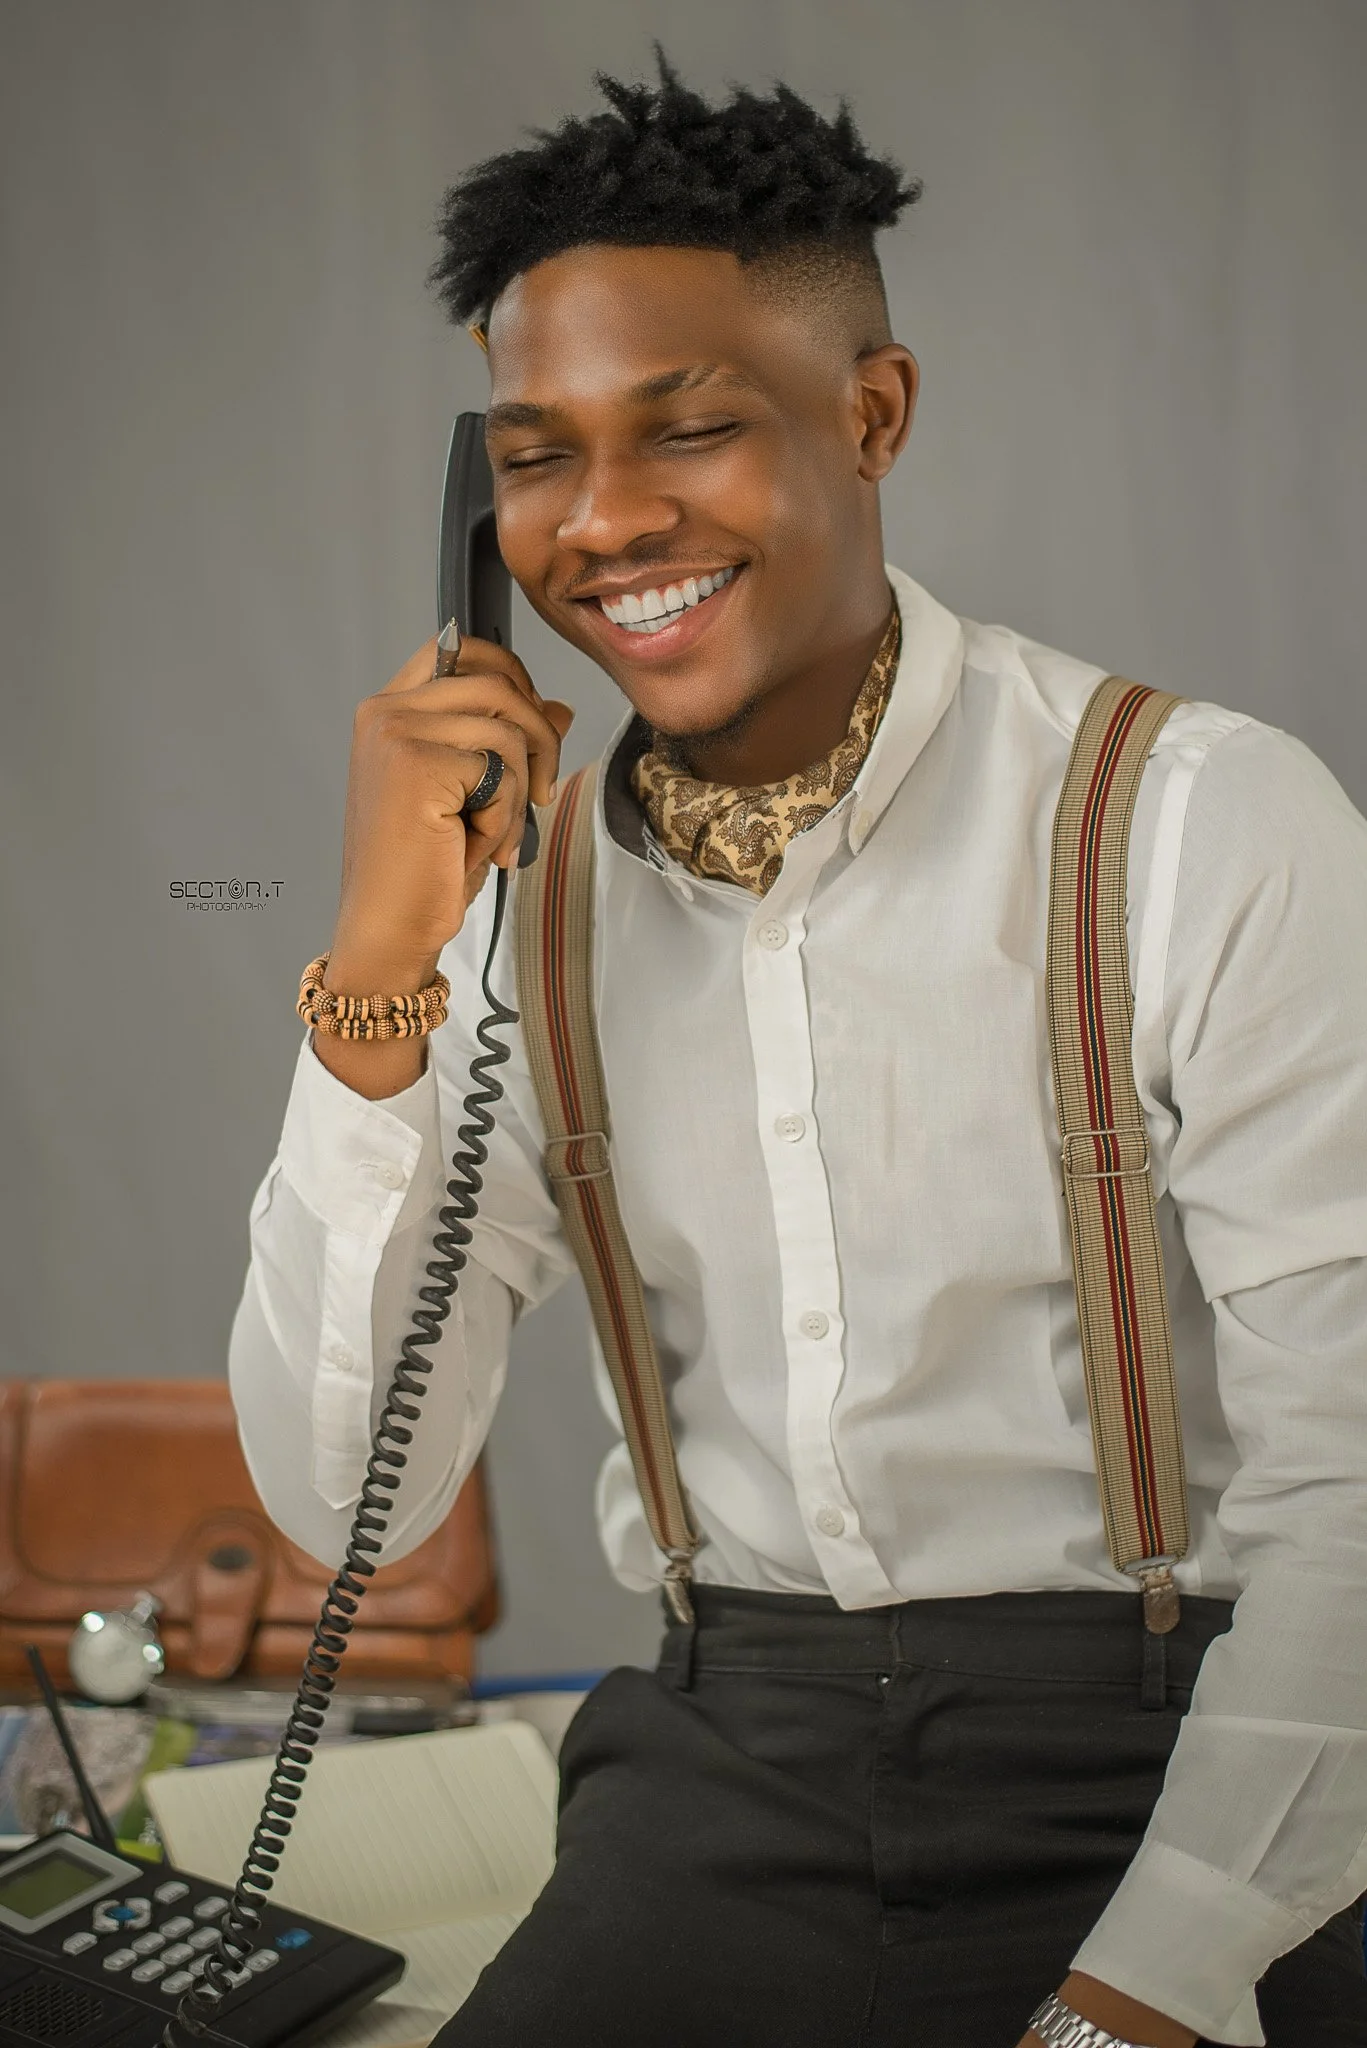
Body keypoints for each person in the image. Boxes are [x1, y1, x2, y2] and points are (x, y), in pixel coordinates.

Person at [228, 51, 1367, 2048]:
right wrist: (381, 967)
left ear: (871, 413)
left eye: (688, 430)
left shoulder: (1195, 820)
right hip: (728, 1761)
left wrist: (1155, 1981)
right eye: (536, 460)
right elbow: (348, 1518)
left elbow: (1353, 1482)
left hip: (1188, 1746)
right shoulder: (504, 903)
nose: (603, 523)